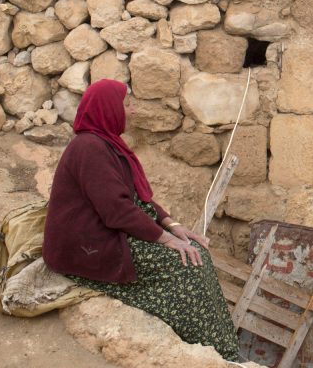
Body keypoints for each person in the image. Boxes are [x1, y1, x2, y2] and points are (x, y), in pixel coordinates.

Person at [43, 79, 240, 361]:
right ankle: (211, 350)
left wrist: (173, 226)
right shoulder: (89, 148)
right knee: (185, 266)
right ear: (107, 107)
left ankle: (224, 347)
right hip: (88, 247)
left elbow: (137, 199)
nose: (132, 111)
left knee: (197, 254)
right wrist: (167, 240)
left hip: (107, 232)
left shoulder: (108, 144)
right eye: (126, 104)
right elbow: (117, 211)